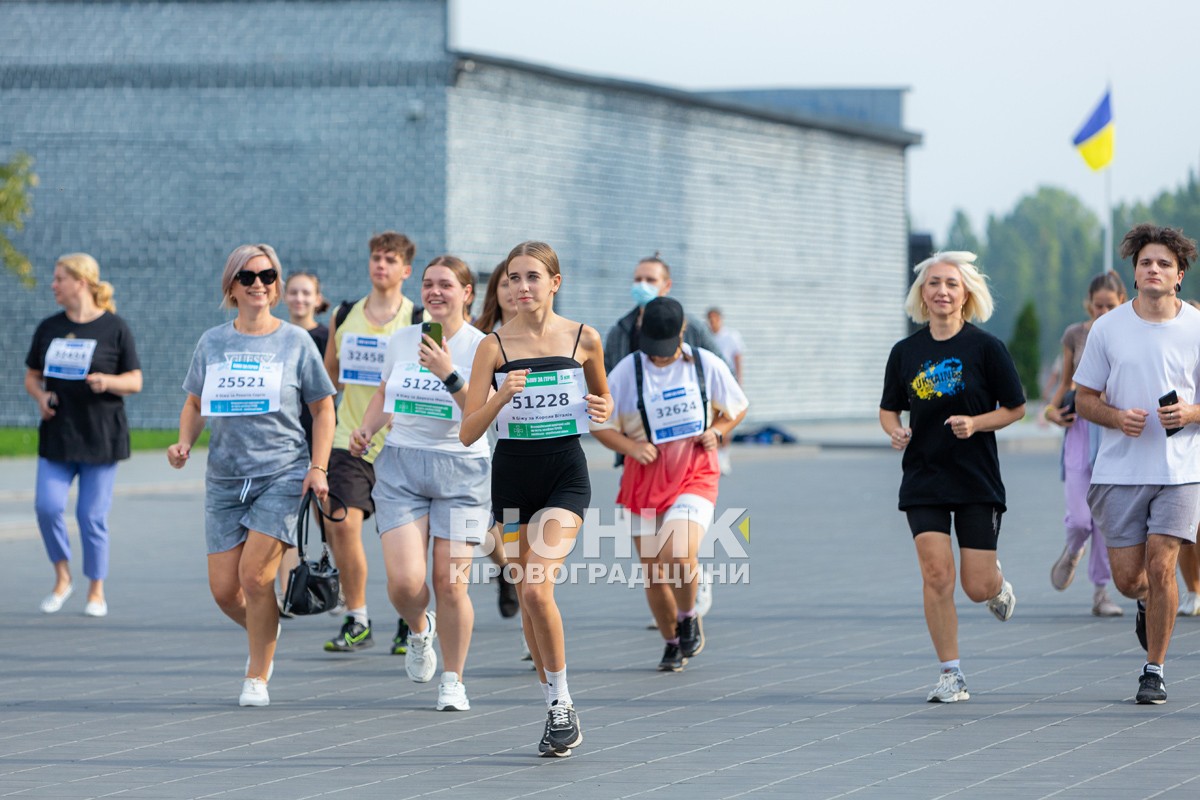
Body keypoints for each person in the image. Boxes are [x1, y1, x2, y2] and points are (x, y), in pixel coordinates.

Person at [167, 244, 335, 707]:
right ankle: (267, 628)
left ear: (276, 286)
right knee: (225, 591)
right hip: (224, 479)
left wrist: (317, 467)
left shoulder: (295, 342)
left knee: (255, 578)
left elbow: (323, 409)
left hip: (281, 472)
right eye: (247, 276)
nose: (258, 283)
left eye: (267, 275)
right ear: (231, 286)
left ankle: (257, 674)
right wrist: (184, 442)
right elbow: (195, 404)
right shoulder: (213, 342)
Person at [460, 241, 611, 757]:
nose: (522, 287)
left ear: (554, 282)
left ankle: (563, 704)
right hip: (512, 477)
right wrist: (501, 396)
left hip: (565, 474)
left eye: (532, 277)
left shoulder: (584, 338)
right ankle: (552, 704)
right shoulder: (492, 347)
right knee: (527, 594)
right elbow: (467, 431)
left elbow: (603, 401)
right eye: (514, 278)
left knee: (537, 590)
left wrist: (602, 405)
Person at [879, 251, 1025, 704]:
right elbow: (888, 409)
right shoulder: (906, 353)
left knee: (974, 585)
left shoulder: (986, 348)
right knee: (936, 574)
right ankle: (951, 674)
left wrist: (976, 423)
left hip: (976, 477)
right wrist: (895, 431)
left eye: (952, 285)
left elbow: (1016, 407)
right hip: (924, 476)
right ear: (922, 294)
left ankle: (997, 585)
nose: (942, 291)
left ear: (966, 295)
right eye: (934, 284)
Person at [349, 255, 490, 711]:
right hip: (402, 466)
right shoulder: (404, 339)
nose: (434, 292)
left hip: (462, 469)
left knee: (451, 584)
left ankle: (454, 679)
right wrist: (368, 428)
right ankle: (418, 628)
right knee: (406, 584)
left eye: (445, 285)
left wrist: (448, 372)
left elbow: (482, 414)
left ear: (466, 293)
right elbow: (384, 393)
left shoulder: (482, 346)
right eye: (428, 284)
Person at [1074, 223, 1200, 705]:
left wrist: (1189, 413)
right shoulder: (1108, 328)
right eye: (1146, 262)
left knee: (1163, 562)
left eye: (1164, 264)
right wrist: (1115, 415)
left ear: (1179, 275)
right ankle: (1147, 602)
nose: (1154, 269)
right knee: (1131, 579)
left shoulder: (1194, 326)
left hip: (1181, 470)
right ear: (1135, 271)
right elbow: (1083, 399)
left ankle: (1155, 669)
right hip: (1120, 470)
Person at [592, 297, 748, 672]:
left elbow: (738, 406)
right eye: (653, 351)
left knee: (677, 553)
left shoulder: (705, 365)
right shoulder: (628, 370)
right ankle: (671, 640)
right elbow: (599, 424)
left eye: (666, 351)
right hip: (642, 479)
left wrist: (718, 430)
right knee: (653, 572)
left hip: (694, 472)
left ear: (682, 332)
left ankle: (689, 614)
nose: (659, 358)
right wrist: (630, 445)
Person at [24, 253, 143, 618]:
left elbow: (135, 381)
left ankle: (96, 589)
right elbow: (32, 376)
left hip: (101, 436)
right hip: (59, 433)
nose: (53, 285)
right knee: (47, 507)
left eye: (59, 278)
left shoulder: (115, 328)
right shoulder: (48, 327)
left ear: (81, 282)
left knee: (91, 516)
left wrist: (107, 381)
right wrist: (41, 396)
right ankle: (63, 577)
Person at [322, 232, 420, 656]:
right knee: (341, 523)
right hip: (349, 438)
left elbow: (422, 386)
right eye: (376, 258)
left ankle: (409, 620)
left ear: (405, 270)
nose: (381, 265)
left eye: (390, 259)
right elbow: (329, 379)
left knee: (405, 540)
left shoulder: (418, 319)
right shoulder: (345, 314)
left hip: (402, 443)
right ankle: (357, 617)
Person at [1043, 272, 1126, 617]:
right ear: (1088, 304)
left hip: (1113, 431)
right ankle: (1073, 549)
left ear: (1122, 302)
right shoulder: (1075, 334)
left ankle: (1101, 593)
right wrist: (1050, 410)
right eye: (1098, 305)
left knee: (1106, 521)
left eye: (1110, 305)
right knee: (1081, 519)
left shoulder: (1129, 333)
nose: (1103, 311)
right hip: (1079, 430)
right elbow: (1065, 383)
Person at [278, 271, 330, 613]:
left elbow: (329, 390)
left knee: (322, 513)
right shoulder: (278, 337)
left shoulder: (325, 337)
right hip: (285, 433)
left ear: (317, 298)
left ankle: (331, 579)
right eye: (293, 292)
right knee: (287, 515)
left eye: (305, 293)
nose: (299, 299)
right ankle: (287, 593)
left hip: (318, 431)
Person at [472, 262, 521, 619]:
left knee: (525, 541)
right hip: (480, 440)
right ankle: (505, 569)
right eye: (505, 283)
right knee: (483, 527)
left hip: (521, 449)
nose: (513, 289)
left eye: (521, 280)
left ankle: (529, 623)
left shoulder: (548, 338)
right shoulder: (481, 338)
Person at [705, 307, 744, 475]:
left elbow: (737, 358)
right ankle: (714, 456)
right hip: (710, 382)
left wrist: (739, 382)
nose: (712, 322)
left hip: (728, 381)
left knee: (727, 417)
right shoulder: (706, 336)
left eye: (715, 319)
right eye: (710, 319)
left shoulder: (731, 336)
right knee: (712, 419)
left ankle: (724, 457)